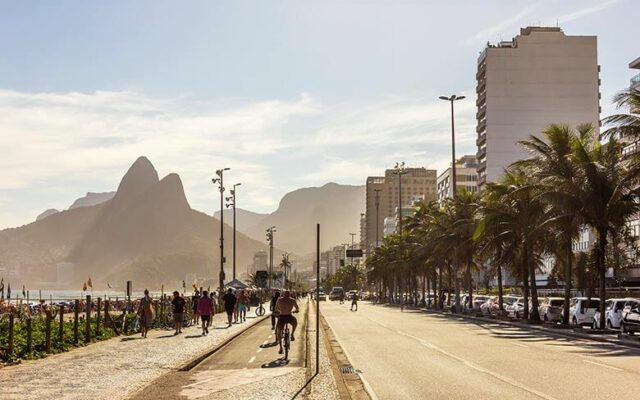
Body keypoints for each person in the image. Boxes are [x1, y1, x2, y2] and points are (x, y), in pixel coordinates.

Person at [275, 290, 299, 355]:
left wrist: (280, 310)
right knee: (295, 322)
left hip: (282, 316)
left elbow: (276, 308)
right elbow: (297, 308)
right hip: (289, 316)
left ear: (283, 294)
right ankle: (292, 334)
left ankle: (280, 348)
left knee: (279, 332)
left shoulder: (279, 300)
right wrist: (295, 311)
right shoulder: (292, 300)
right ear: (289, 294)